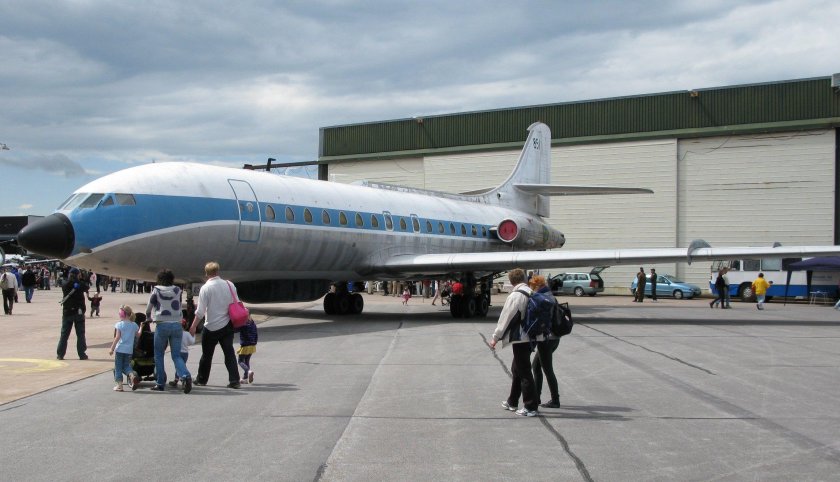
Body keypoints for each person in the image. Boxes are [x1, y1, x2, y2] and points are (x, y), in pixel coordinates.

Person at [489, 268, 540, 417]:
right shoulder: (531, 292)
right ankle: (512, 401)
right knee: (517, 368)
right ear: (523, 279)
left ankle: (530, 406)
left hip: (521, 338)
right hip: (532, 336)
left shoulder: (516, 296)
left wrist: (495, 337)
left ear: (512, 282)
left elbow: (506, 318)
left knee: (524, 371)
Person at [189, 261, 241, 389]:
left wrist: (193, 325)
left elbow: (200, 311)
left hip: (211, 326)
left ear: (206, 273)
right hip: (228, 324)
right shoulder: (229, 284)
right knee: (229, 353)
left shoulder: (206, 288)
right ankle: (234, 380)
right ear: (217, 271)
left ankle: (202, 379)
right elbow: (237, 301)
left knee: (207, 355)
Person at [145, 269, 192, 393]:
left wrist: (148, 317)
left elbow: (149, 307)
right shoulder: (177, 290)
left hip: (162, 324)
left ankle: (160, 383)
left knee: (159, 355)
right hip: (176, 325)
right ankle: (185, 375)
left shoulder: (156, 290)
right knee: (176, 355)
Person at [529, 275, 561, 408]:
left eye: (533, 287)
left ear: (537, 286)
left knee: (547, 370)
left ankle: (555, 400)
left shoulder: (543, 298)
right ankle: (537, 397)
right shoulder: (551, 296)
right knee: (536, 366)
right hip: (554, 338)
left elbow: (541, 321)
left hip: (546, 339)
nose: (532, 289)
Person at [56, 267, 89, 360]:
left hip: (67, 312)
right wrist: (81, 279)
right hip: (78, 312)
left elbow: (61, 282)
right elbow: (86, 286)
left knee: (64, 335)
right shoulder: (79, 284)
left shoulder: (65, 283)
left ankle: (60, 354)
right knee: (80, 334)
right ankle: (82, 354)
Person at [108, 305, 141, 392]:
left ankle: (119, 385)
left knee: (118, 367)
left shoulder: (119, 324)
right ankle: (131, 375)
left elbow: (117, 337)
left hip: (120, 349)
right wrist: (141, 327)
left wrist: (112, 348)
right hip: (129, 350)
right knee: (127, 366)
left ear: (123, 314)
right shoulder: (134, 325)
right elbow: (138, 335)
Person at [168, 320, 195, 388]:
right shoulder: (187, 334)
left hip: (177, 352)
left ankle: (183, 380)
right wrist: (193, 335)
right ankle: (177, 380)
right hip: (185, 353)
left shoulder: (174, 333)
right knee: (182, 366)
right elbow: (192, 342)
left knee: (178, 366)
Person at [237, 317, 258, 384]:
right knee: (247, 361)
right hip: (252, 345)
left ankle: (249, 371)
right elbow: (256, 334)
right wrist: (254, 342)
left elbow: (236, 329)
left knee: (240, 361)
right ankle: (245, 378)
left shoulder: (243, 325)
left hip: (245, 346)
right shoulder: (253, 324)